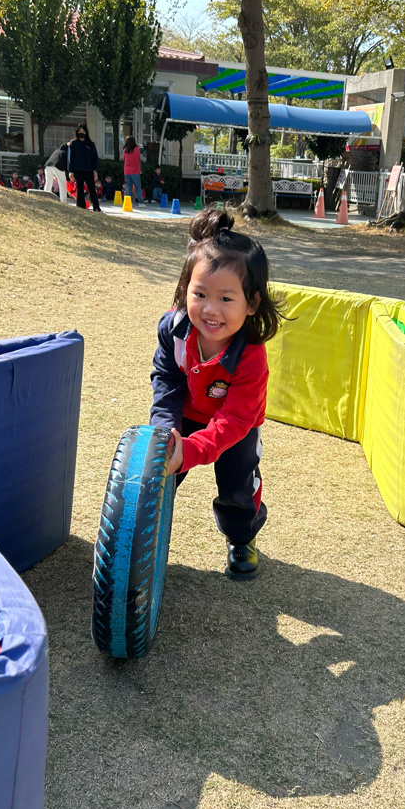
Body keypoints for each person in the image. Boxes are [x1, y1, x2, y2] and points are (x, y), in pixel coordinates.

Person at [150, 208, 284, 581]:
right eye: (200, 294)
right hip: (187, 413)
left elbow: (236, 419)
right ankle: (143, 535)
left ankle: (241, 538)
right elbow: (166, 379)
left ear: (252, 303)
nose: (211, 310)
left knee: (237, 485)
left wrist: (192, 451)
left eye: (226, 299)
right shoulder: (174, 329)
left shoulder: (250, 355)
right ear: (185, 290)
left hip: (237, 425)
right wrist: (166, 429)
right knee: (155, 470)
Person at [67, 123, 101, 212]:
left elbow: (94, 158)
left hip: (89, 169)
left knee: (92, 188)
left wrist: (95, 171)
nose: (81, 133)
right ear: (77, 132)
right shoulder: (73, 143)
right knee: (80, 188)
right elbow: (71, 158)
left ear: (86, 132)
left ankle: (96, 207)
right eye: (79, 131)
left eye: (83, 131)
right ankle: (80, 207)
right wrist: (71, 171)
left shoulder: (90, 144)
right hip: (77, 169)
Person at [122, 136, 144, 206]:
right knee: (138, 187)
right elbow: (139, 157)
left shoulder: (125, 150)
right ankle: (140, 203)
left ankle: (130, 202)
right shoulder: (137, 149)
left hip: (127, 171)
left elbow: (124, 159)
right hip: (135, 171)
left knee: (129, 187)